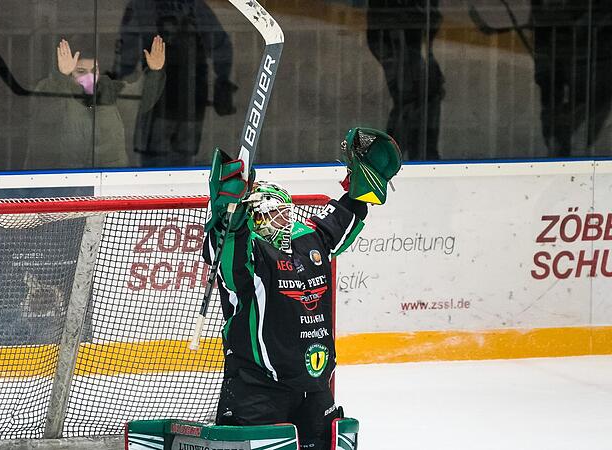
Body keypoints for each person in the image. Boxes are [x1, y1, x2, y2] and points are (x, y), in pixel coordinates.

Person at [203, 128, 402, 449]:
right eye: (265, 214)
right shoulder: (246, 253)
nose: (276, 221)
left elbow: (347, 212)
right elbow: (227, 246)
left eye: (281, 213)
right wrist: (227, 210)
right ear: (251, 218)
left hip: (314, 384)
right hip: (257, 388)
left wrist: (362, 182)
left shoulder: (310, 238)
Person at [112, 0, 236, 168]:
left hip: (168, 95)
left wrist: (115, 78)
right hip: (185, 96)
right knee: (179, 160)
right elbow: (220, 44)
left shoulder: (142, 4)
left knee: (160, 161)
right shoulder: (195, 5)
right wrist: (223, 79)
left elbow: (127, 50)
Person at [25, 36, 166, 169]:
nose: (89, 76)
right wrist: (61, 77)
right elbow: (45, 111)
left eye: (94, 70)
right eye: (81, 71)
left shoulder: (110, 89)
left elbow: (139, 100)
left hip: (112, 175)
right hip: (68, 175)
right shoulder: (55, 87)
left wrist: (154, 72)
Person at [532, 0, 612, 157]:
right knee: (553, 100)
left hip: (588, 47)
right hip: (556, 44)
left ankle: (566, 147)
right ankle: (558, 149)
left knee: (591, 99)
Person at [366, 0, 443, 161]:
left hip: (402, 35)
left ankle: (417, 154)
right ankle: (393, 157)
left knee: (427, 92)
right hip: (394, 35)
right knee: (411, 95)